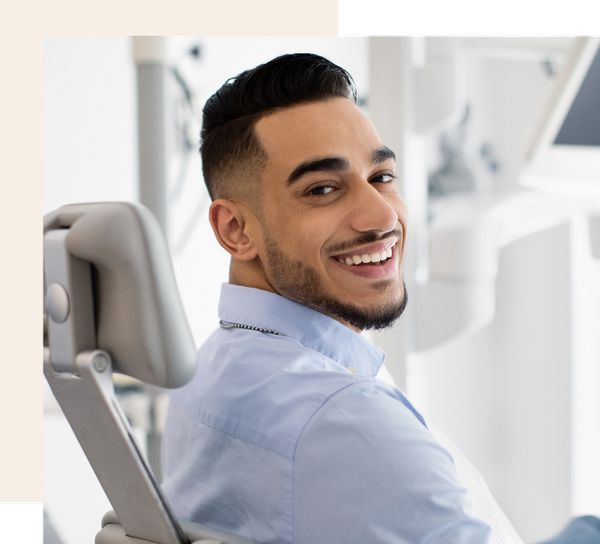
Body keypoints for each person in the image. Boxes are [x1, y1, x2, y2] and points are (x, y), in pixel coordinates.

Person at [160, 53, 599, 544]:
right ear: (236, 229)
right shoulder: (346, 419)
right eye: (323, 189)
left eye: (382, 177)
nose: (380, 217)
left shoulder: (205, 373)